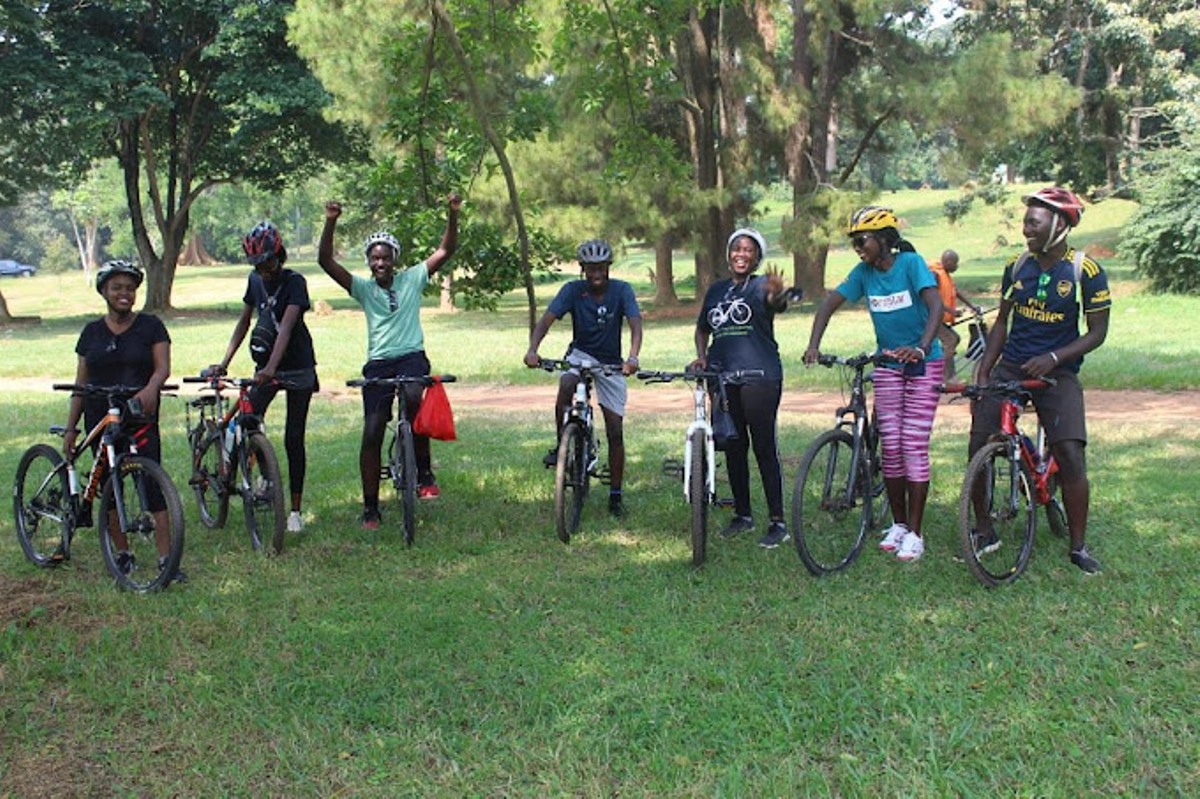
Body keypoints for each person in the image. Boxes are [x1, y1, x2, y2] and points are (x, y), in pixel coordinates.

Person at [969, 186, 1110, 574]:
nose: (1025, 228)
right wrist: (985, 370)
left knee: (1070, 454)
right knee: (979, 442)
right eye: (1025, 222)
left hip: (1058, 371)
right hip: (1012, 366)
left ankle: (1078, 547)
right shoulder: (1017, 266)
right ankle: (984, 529)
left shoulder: (1086, 270)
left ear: (1059, 224)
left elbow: (1096, 333)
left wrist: (1053, 358)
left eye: (1034, 222)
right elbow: (1002, 323)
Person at [804, 206, 944, 563]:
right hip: (887, 365)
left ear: (884, 239)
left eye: (862, 240)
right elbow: (827, 306)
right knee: (891, 448)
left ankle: (915, 532)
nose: (858, 248)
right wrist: (813, 345)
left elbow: (935, 306)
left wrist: (921, 347)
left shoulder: (911, 265)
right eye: (853, 242)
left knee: (913, 445)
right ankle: (897, 524)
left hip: (923, 364)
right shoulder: (863, 273)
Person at [318, 195, 462, 531]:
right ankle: (371, 507)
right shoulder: (363, 288)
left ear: (394, 260)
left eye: (385, 257)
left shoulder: (412, 278)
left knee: (413, 400)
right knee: (372, 430)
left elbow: (445, 251)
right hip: (379, 363)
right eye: (374, 258)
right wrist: (331, 221)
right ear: (369, 262)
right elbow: (325, 261)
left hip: (411, 357)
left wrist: (452, 215)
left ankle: (424, 472)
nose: (380, 263)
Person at [63, 259, 184, 582]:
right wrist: (72, 427)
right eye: (117, 287)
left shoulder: (151, 327)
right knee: (109, 485)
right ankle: (123, 554)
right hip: (99, 415)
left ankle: (165, 560)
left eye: (130, 288)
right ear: (104, 291)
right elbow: (80, 384)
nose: (124, 294)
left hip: (139, 416)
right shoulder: (91, 333)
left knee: (151, 483)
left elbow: (162, 368)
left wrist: (150, 390)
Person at [206, 222, 318, 534]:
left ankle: (294, 510)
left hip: (297, 365)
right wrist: (224, 362)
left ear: (279, 255)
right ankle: (264, 477)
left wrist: (270, 368)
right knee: (248, 417)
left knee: (294, 438)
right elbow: (244, 322)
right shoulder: (254, 280)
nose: (263, 269)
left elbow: (286, 326)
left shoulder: (295, 282)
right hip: (267, 365)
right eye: (256, 264)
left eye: (267, 261)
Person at [524, 239, 643, 518]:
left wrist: (633, 358)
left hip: (611, 363)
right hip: (580, 354)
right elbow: (546, 320)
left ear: (608, 268)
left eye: (600, 268)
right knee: (566, 383)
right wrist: (532, 350)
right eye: (590, 269)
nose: (595, 274)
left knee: (615, 430)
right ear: (583, 269)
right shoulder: (573, 291)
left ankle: (615, 495)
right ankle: (562, 446)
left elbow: (636, 324)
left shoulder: (622, 290)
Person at [692, 228, 792, 549]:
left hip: (760, 377)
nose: (742, 254)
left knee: (763, 447)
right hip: (722, 378)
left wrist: (778, 295)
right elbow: (702, 329)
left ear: (757, 257)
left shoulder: (763, 285)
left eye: (749, 250)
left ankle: (777, 522)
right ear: (729, 253)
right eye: (737, 248)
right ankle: (743, 515)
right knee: (733, 445)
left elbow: (777, 303)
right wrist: (703, 357)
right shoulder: (717, 290)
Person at [928, 249, 982, 379]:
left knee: (954, 339)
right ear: (947, 261)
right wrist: (951, 311)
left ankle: (947, 371)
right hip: (931, 318)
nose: (957, 266)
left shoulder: (946, 275)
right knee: (950, 341)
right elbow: (933, 298)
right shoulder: (935, 275)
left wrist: (972, 306)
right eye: (955, 263)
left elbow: (955, 292)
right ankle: (946, 377)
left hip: (939, 319)